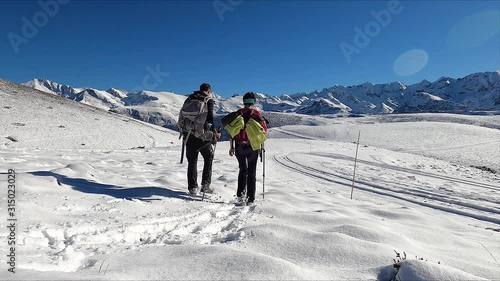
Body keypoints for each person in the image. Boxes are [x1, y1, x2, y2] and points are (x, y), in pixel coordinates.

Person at [182, 83, 221, 195]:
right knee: (208, 158)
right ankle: (205, 185)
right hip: (203, 136)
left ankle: (192, 187)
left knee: (192, 161)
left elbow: (182, 116)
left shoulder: (189, 99)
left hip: (189, 135)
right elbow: (210, 119)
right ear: (209, 91)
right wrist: (215, 133)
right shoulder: (208, 100)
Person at [229, 92, 268, 205]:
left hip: (239, 145)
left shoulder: (237, 114)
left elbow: (232, 132)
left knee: (242, 170)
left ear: (244, 101)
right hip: (252, 146)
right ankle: (251, 198)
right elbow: (264, 131)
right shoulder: (256, 114)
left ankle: (240, 195)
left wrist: (231, 147)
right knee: (252, 172)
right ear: (254, 102)